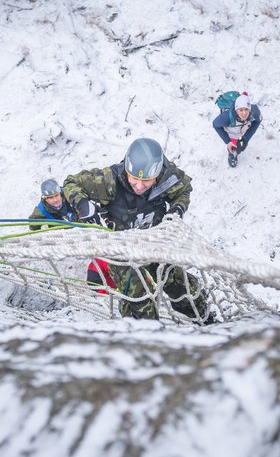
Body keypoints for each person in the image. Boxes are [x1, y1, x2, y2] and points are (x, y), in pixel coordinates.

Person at [63, 137, 211, 321]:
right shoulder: (109, 181)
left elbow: (183, 190)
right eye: (135, 179)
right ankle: (144, 334)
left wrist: (177, 209)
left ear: (157, 174)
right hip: (121, 249)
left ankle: (204, 319)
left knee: (180, 285)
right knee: (139, 294)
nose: (140, 186)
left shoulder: (167, 177)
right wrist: (83, 205)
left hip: (154, 241)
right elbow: (71, 183)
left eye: (147, 181)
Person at [212, 94, 262, 167]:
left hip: (242, 127)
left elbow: (258, 121)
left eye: (246, 109)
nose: (244, 113)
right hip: (231, 130)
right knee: (234, 146)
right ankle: (232, 154)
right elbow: (215, 124)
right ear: (236, 110)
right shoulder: (226, 117)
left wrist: (246, 138)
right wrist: (228, 141)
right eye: (241, 110)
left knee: (240, 145)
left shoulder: (255, 112)